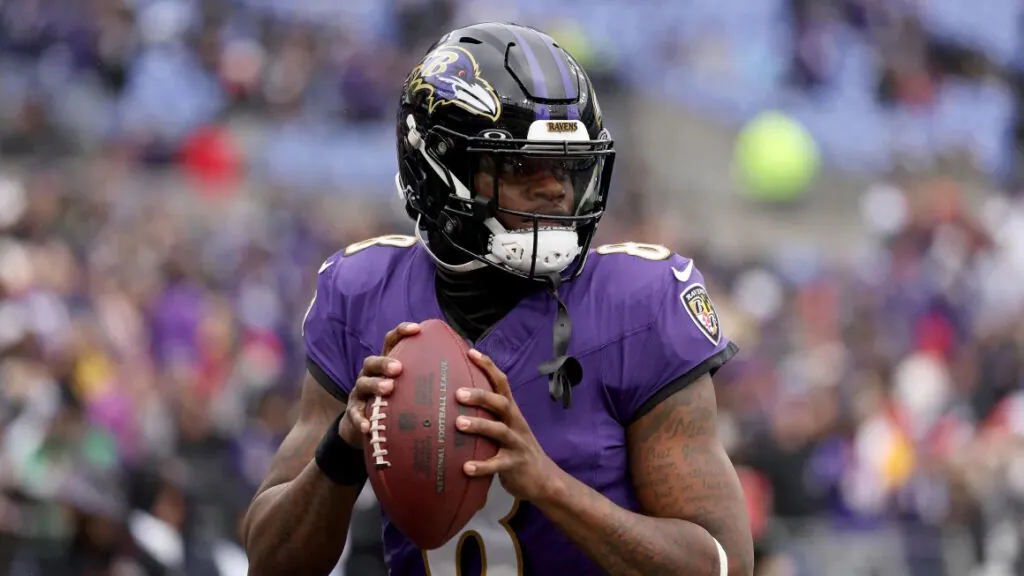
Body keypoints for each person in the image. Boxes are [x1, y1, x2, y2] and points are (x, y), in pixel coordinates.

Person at [242, 21, 754, 576]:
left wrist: (550, 486)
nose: (554, 187)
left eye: (566, 166)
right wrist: (341, 448)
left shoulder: (640, 304)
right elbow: (270, 559)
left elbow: (723, 565)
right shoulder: (362, 294)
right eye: (520, 166)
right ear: (440, 170)